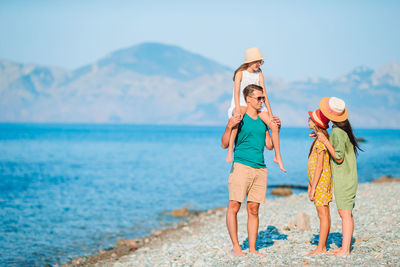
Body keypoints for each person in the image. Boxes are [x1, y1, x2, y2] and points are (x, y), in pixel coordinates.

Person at [221, 84, 280, 256]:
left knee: (254, 209)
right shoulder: (240, 116)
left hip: (260, 169)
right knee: (234, 205)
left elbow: (269, 146)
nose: (262, 101)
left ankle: (253, 248)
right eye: (259, 98)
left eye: (263, 98)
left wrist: (276, 127)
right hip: (241, 166)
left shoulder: (263, 119)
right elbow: (224, 144)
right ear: (248, 99)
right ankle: (236, 246)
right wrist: (229, 126)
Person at [226, 47, 286, 173]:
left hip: (258, 104)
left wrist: (271, 114)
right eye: (256, 62)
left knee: (274, 125)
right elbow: (236, 93)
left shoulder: (259, 74)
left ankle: (278, 156)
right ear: (249, 61)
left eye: (260, 62)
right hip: (241, 103)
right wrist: (237, 109)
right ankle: (230, 149)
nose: (258, 64)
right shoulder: (240, 73)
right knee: (237, 118)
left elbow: (265, 95)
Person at [315, 97, 362, 256]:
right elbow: (337, 147)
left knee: (344, 213)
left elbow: (339, 157)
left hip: (344, 178)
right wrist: (322, 138)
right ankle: (345, 246)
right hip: (348, 177)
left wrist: (325, 141)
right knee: (346, 213)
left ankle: (345, 249)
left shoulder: (337, 131)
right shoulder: (340, 130)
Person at [306, 108, 333, 255]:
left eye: (310, 119)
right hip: (318, 182)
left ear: (316, 123)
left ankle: (321, 247)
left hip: (321, 182)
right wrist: (310, 185)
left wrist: (314, 187)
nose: (308, 120)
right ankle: (321, 246)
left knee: (323, 215)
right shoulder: (318, 138)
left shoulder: (321, 141)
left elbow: (319, 166)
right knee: (322, 214)